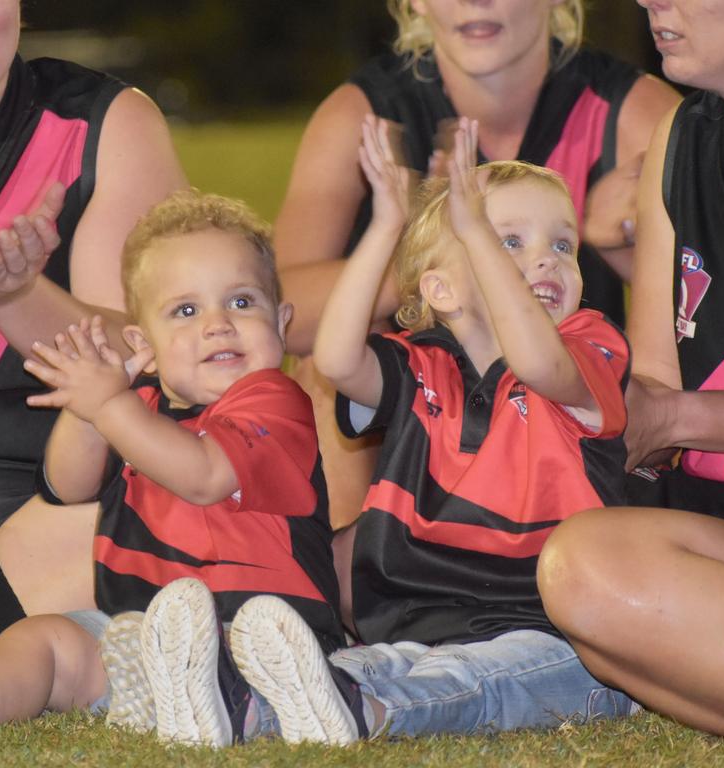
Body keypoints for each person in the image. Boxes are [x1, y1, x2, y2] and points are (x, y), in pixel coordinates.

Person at [215, 115, 635, 744]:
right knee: (364, 666)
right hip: (420, 628)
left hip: (557, 636)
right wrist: (385, 227)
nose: (546, 258)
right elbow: (334, 359)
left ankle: (366, 715)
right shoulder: (424, 366)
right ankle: (244, 707)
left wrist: (475, 232)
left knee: (473, 679)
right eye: (510, 241)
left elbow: (538, 364)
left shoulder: (587, 346)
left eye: (563, 245)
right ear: (440, 289)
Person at [274, 0, 680, 538]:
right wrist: (429, 245)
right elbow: (279, 314)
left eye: (561, 242)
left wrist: (623, 242)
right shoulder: (366, 115)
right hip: (431, 403)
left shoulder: (634, 110)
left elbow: (711, 298)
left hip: (573, 402)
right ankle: (345, 584)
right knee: (320, 381)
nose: (474, 2)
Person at [0, 191, 344, 748]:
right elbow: (69, 487)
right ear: (142, 344)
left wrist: (110, 406)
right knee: (45, 638)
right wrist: (89, 408)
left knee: (243, 656)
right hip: (131, 638)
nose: (219, 325)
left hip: (251, 640)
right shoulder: (138, 407)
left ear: (283, 320)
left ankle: (212, 702)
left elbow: (203, 476)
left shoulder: (275, 400)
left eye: (243, 303)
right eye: (186, 311)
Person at [537, 0, 724, 741]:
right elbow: (655, 377)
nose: (652, 0)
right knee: (580, 568)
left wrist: (679, 418)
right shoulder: (683, 137)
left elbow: (672, 409)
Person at [0, 1, 187, 646]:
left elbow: (170, 355)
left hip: (36, 497)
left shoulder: (95, 124)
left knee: (166, 537)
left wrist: (15, 297)